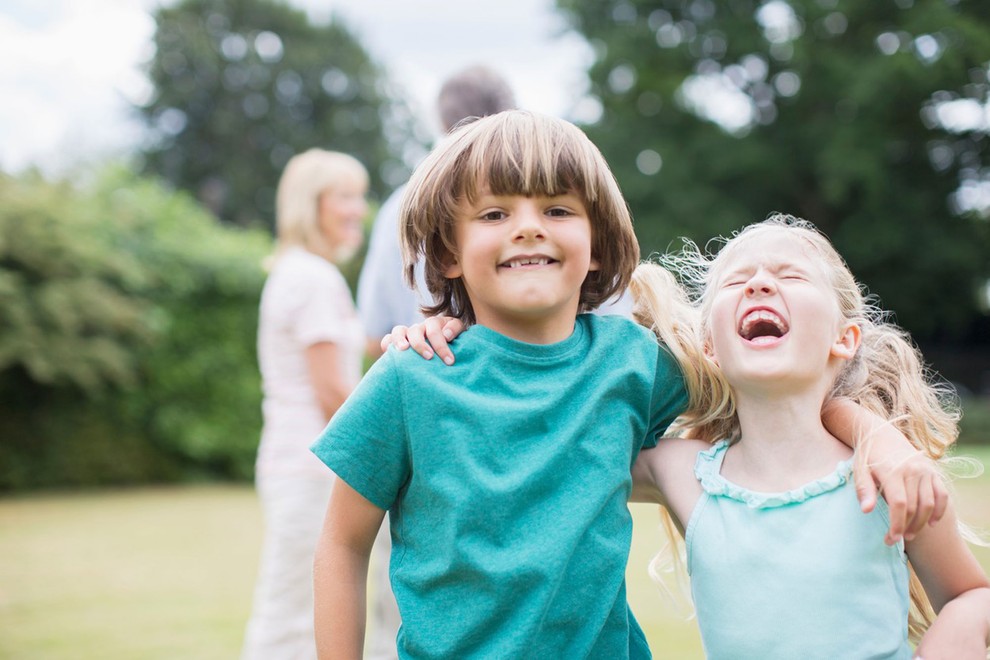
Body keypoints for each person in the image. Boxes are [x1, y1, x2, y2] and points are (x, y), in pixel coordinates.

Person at [310, 112, 942, 659]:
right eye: (495, 213)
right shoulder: (410, 378)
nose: (528, 227)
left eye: (556, 209)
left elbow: (779, 393)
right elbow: (341, 545)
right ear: (449, 253)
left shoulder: (636, 364)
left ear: (597, 246)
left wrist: (877, 439)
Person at [629, 215, 990, 658]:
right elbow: (578, 447)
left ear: (845, 338)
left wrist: (957, 630)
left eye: (791, 275)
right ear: (710, 347)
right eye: (735, 281)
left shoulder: (893, 477)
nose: (758, 284)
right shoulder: (684, 473)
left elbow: (972, 595)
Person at [243, 149, 398, 660]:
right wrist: (397, 451)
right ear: (312, 205)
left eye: (360, 197)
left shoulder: (298, 271)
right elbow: (334, 394)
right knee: (292, 623)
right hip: (312, 472)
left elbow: (356, 346)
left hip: (296, 467)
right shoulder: (312, 277)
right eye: (346, 198)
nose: (359, 209)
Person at [355, 65, 517, 360]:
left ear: (441, 120)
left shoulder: (397, 208)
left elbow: (373, 333)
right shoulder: (543, 192)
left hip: (427, 369)